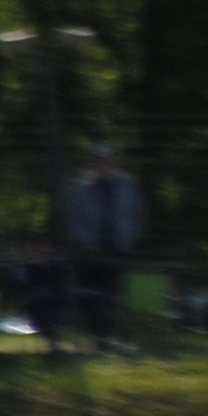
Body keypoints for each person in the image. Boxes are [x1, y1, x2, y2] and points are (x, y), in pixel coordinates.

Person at [62, 144, 146, 353]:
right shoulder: (81, 187)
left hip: (122, 249)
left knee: (120, 294)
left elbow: (140, 214)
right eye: (99, 160)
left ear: (115, 161)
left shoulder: (128, 186)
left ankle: (123, 338)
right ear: (93, 162)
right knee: (98, 295)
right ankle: (101, 339)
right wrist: (85, 241)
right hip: (93, 251)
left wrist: (132, 236)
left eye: (108, 160)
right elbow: (73, 219)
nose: (104, 164)